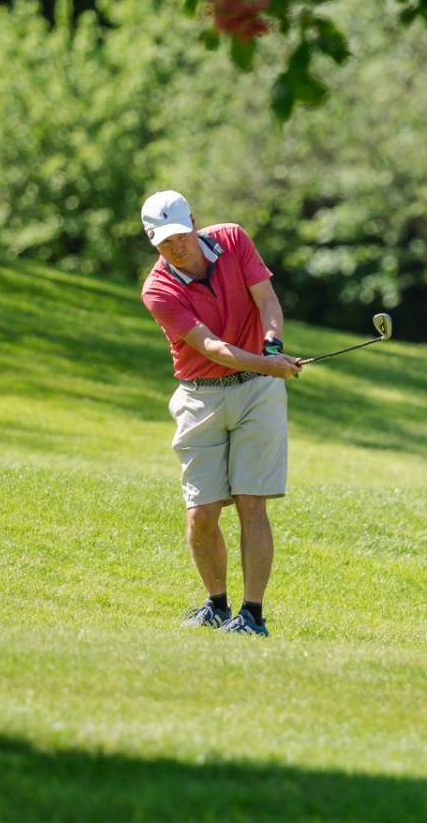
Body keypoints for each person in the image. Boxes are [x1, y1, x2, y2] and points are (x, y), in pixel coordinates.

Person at [138, 189, 305, 637]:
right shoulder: (158, 290)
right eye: (164, 241)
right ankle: (216, 604)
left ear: (193, 220)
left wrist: (273, 346)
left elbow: (267, 300)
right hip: (201, 396)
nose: (176, 247)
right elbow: (211, 348)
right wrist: (267, 364)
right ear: (153, 241)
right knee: (202, 511)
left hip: (256, 392)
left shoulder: (232, 239)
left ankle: (251, 615)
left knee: (252, 503)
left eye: (180, 235)